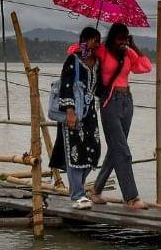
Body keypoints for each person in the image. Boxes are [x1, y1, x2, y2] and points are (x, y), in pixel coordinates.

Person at [88, 22, 152, 209]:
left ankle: (96, 189)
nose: (122, 42)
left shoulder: (128, 53)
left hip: (127, 102)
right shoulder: (102, 51)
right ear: (113, 38)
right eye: (119, 38)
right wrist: (90, 44)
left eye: (125, 38)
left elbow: (146, 66)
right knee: (123, 151)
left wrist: (133, 46)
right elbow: (75, 50)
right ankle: (131, 197)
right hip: (109, 102)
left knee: (116, 149)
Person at [51, 27, 103, 209]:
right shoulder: (73, 60)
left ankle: (79, 189)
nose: (97, 44)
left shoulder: (97, 63)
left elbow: (100, 87)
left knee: (93, 151)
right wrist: (70, 112)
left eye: (99, 40)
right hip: (73, 113)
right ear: (85, 40)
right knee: (75, 153)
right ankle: (77, 195)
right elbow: (66, 85)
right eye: (94, 40)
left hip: (90, 114)